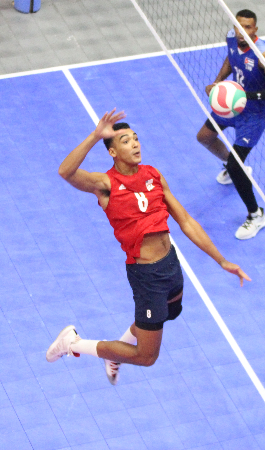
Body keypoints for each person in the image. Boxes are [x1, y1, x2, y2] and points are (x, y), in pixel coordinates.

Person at [46, 109, 250, 385]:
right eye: (126, 141)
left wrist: (221, 260)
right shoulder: (105, 185)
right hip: (147, 277)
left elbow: (186, 221)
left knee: (167, 316)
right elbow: (65, 171)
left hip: (170, 264)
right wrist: (96, 136)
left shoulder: (153, 175)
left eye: (136, 139)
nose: (135, 144)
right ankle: (73, 343)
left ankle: (115, 351)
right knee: (146, 356)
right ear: (113, 152)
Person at [196, 9, 265, 240]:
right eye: (239, 27)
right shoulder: (231, 38)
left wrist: (248, 96)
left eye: (248, 27)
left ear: (255, 29)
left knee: (236, 168)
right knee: (204, 137)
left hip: (255, 113)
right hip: (232, 103)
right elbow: (230, 59)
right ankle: (233, 164)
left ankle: (256, 216)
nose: (242, 32)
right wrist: (217, 83)